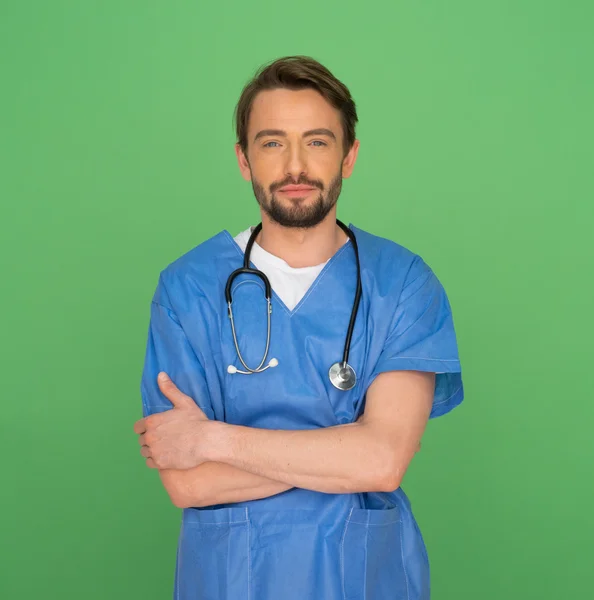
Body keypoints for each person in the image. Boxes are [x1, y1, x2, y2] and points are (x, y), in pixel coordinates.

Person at [134, 55, 464, 600]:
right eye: (271, 143)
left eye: (316, 141)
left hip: (365, 578)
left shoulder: (402, 283)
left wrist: (212, 440)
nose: (295, 166)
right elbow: (188, 482)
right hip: (231, 580)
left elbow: (383, 464)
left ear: (348, 156)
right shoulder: (187, 290)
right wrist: (347, 452)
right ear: (243, 159)